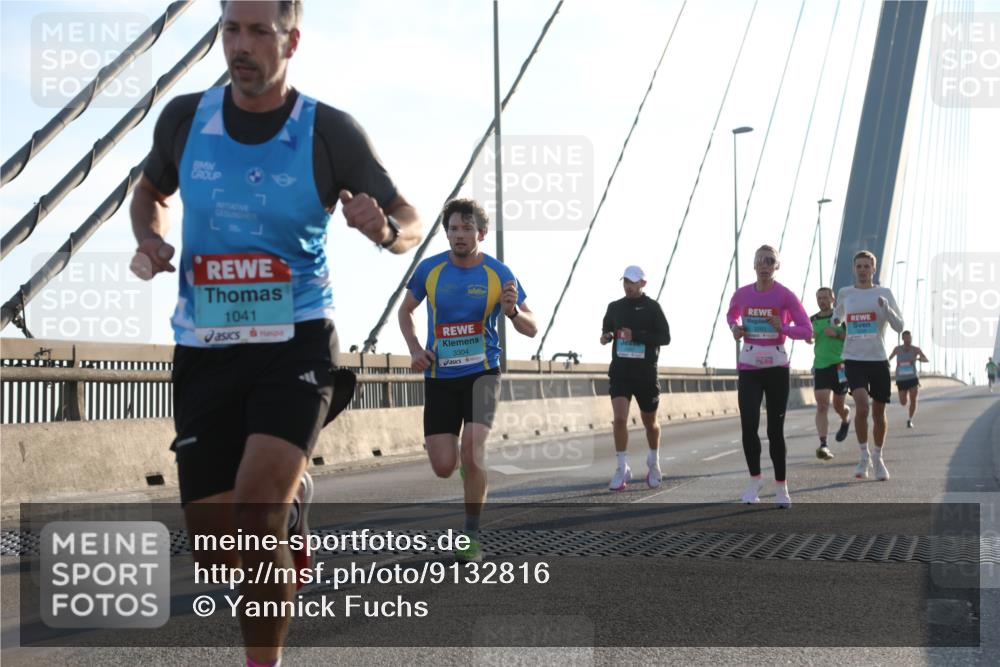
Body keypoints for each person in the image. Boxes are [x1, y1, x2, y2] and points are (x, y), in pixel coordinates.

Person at [128, 2, 422, 664]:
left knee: (255, 512)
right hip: (204, 350)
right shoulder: (186, 119)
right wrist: (150, 236)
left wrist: (381, 227)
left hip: (295, 341)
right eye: (232, 28)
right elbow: (147, 189)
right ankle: (292, 517)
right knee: (216, 544)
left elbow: (410, 220)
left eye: (260, 31)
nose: (242, 44)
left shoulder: (327, 132)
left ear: (292, 40)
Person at [398, 198, 537, 562]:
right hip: (440, 376)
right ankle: (465, 465)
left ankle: (471, 535)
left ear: (482, 232)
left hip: (483, 372)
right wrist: (415, 348)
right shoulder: (430, 270)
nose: (459, 235)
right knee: (444, 466)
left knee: (473, 448)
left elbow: (531, 326)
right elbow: (406, 311)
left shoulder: (498, 273)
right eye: (453, 229)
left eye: (466, 228)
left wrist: (512, 313)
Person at [726, 245, 813, 508]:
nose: (764, 265)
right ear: (753, 265)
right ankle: (755, 480)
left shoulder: (785, 296)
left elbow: (807, 330)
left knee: (775, 429)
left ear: (777, 266)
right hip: (750, 366)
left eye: (770, 261)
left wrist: (784, 327)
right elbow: (732, 314)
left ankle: (781, 487)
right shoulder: (742, 294)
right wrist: (735, 328)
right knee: (748, 424)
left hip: (776, 366)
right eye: (760, 261)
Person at [833, 251, 903, 482]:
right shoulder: (846, 293)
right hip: (853, 359)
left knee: (879, 412)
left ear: (874, 269)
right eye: (859, 266)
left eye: (867, 266)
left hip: (878, 359)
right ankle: (864, 456)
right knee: (862, 407)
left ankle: (878, 456)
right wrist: (835, 321)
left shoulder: (884, 293)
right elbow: (838, 316)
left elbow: (899, 326)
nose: (863, 270)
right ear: (854, 269)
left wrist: (887, 309)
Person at [600, 265, 671, 490]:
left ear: (642, 284)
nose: (627, 286)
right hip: (621, 371)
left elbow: (665, 337)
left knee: (650, 423)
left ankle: (654, 461)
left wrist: (637, 336)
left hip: (645, 373)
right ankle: (621, 468)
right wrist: (606, 336)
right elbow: (607, 328)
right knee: (619, 419)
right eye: (625, 282)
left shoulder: (652, 308)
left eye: (632, 282)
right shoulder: (614, 307)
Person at [805, 287, 852, 460]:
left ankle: (845, 419)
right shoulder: (813, 319)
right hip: (821, 366)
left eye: (825, 297)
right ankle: (823, 444)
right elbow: (809, 336)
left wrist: (837, 334)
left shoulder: (841, 318)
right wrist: (808, 338)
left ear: (833, 299)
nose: (822, 300)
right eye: (819, 298)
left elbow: (852, 336)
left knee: (838, 405)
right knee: (822, 405)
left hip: (840, 366)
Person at [888, 331, 929, 428]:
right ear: (903, 339)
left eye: (909, 338)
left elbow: (926, 359)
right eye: (906, 338)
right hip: (901, 379)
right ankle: (906, 406)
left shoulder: (915, 349)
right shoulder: (897, 349)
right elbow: (890, 357)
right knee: (903, 402)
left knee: (913, 400)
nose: (908, 340)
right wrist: (887, 363)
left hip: (912, 378)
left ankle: (910, 420)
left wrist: (918, 359)